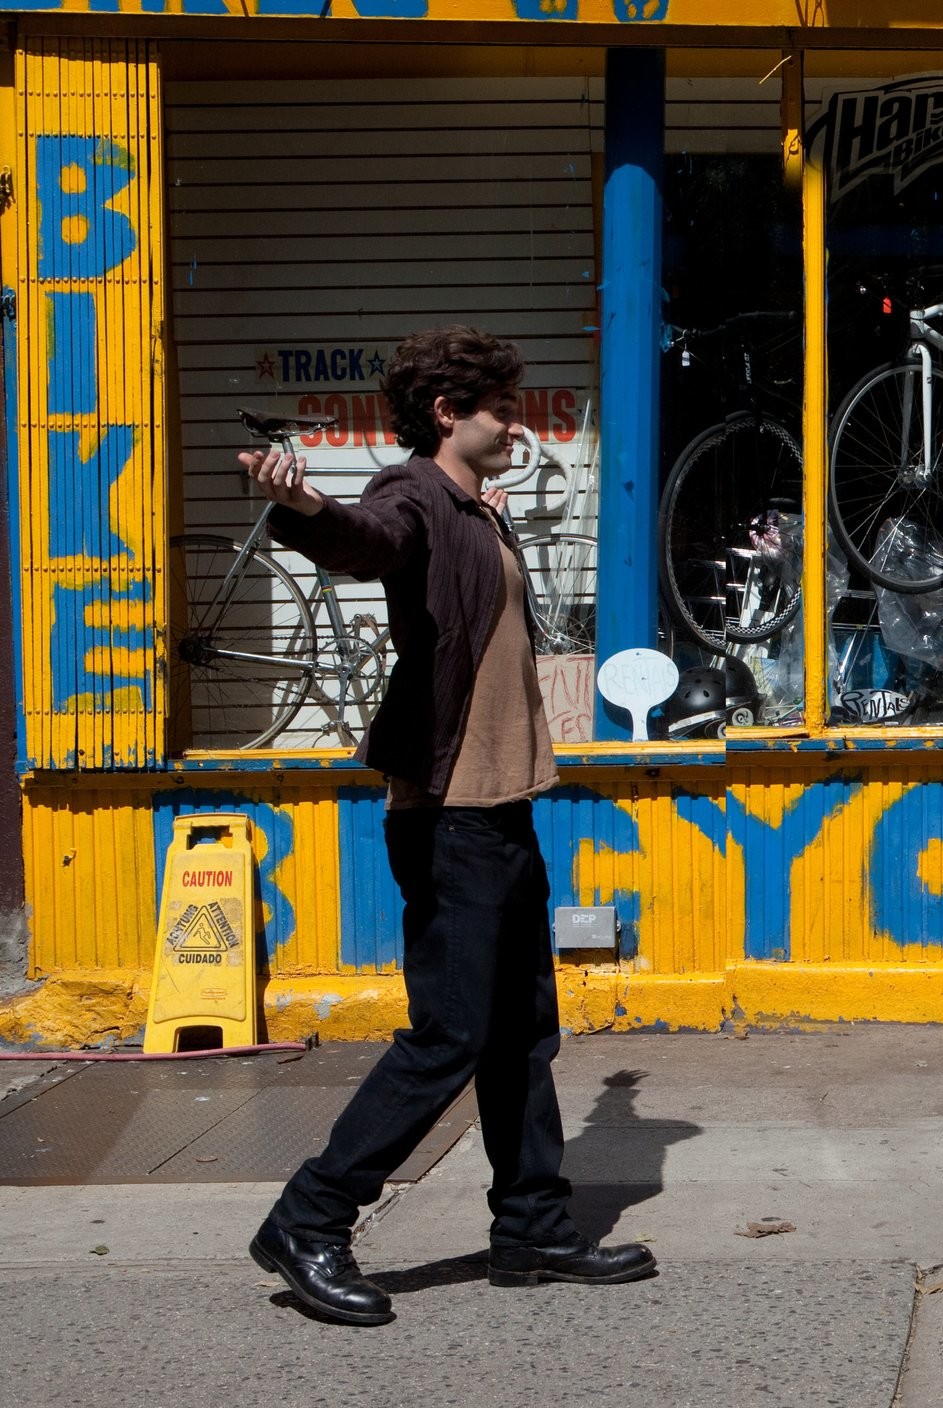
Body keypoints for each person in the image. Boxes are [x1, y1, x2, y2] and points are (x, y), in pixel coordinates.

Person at [242, 326, 655, 1325]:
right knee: (450, 1035)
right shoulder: (415, 496)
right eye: (501, 408)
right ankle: (311, 1216)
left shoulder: (475, 509)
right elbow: (364, 538)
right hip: (449, 818)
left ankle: (531, 1224)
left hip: (501, 808)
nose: (516, 423)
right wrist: (297, 501)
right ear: (446, 414)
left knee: (519, 1034)